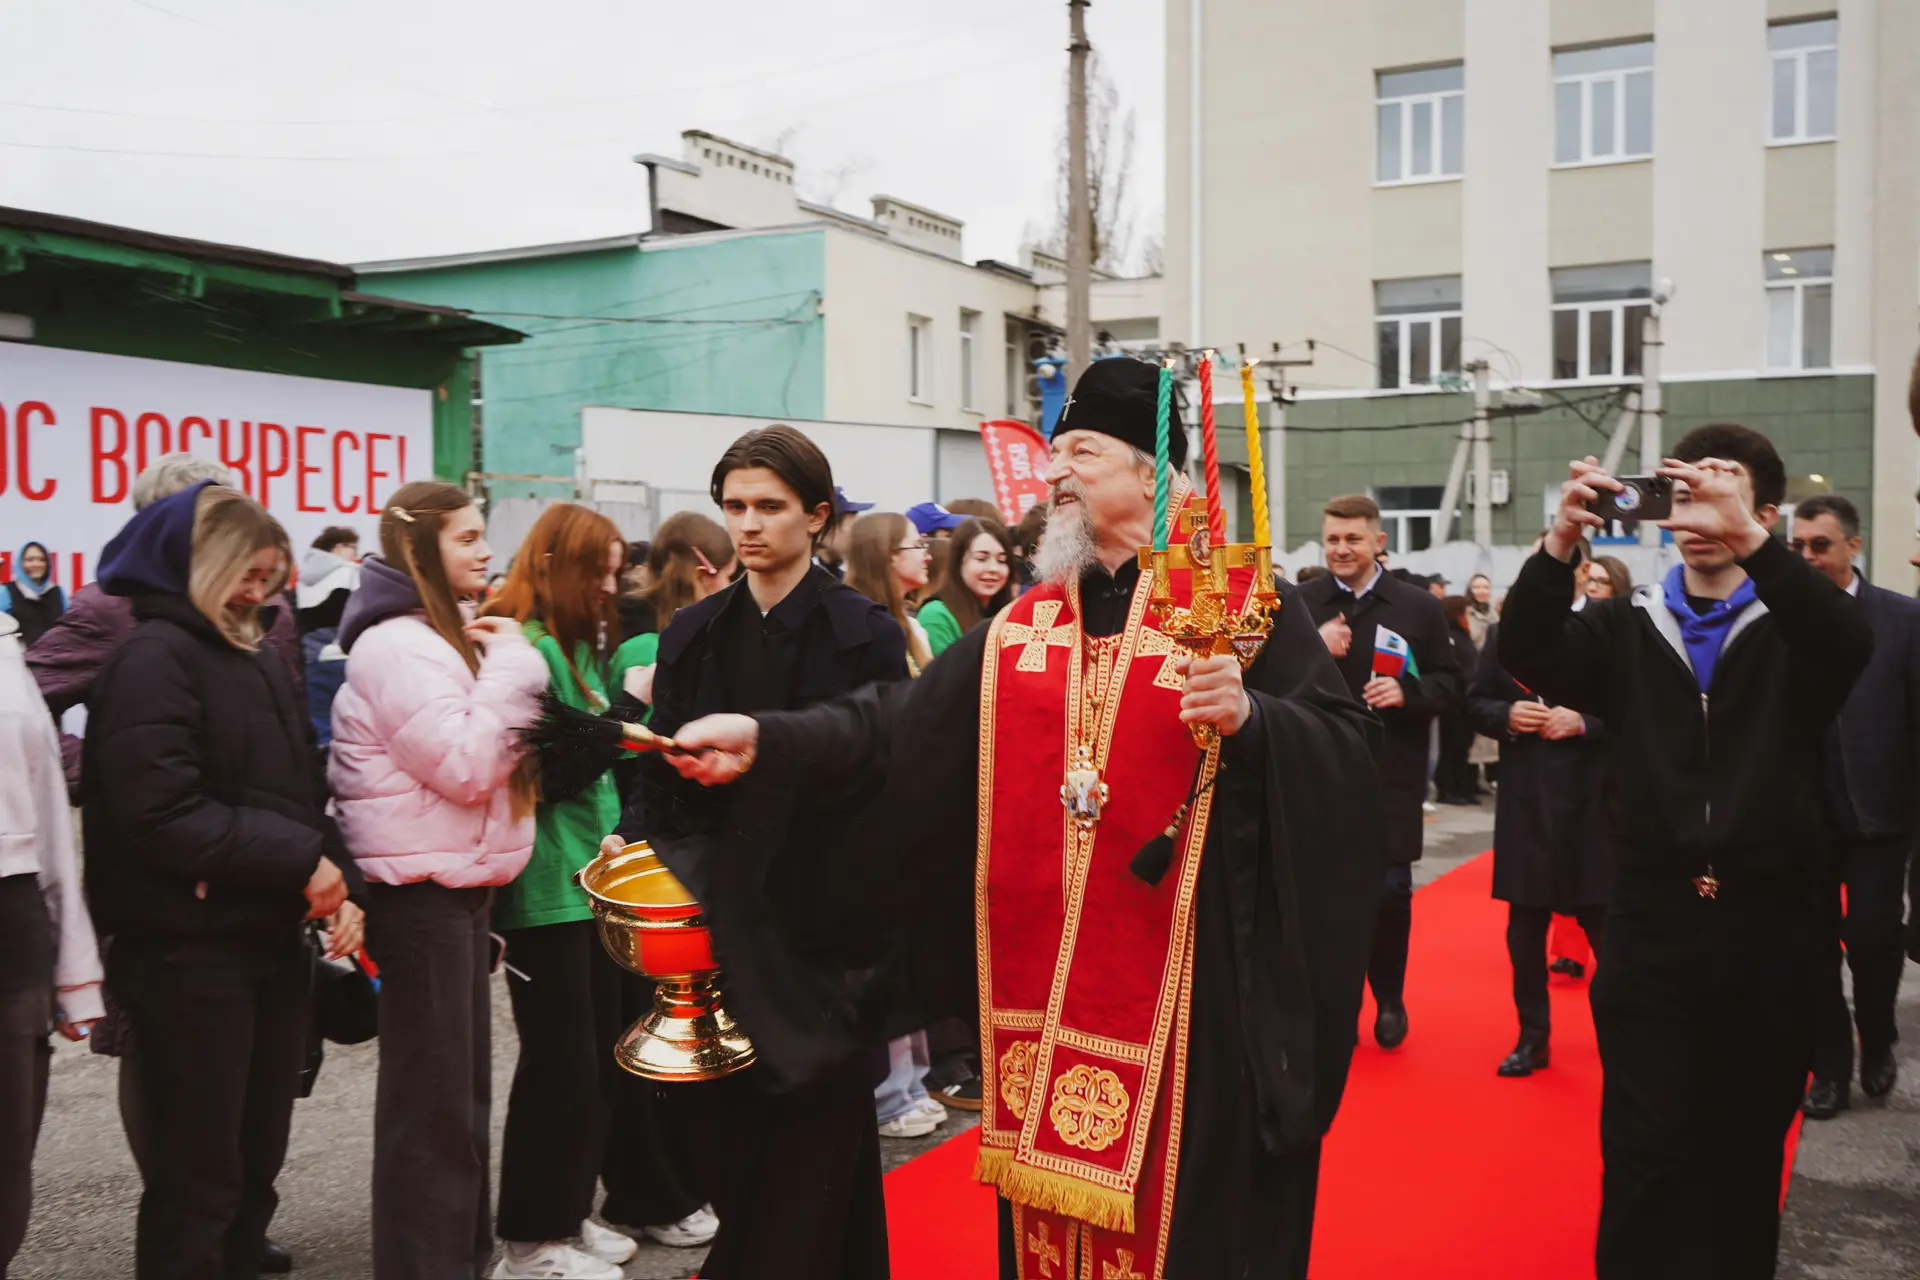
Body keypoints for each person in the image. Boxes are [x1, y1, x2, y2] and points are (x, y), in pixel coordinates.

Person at [648, 359, 1386, 1280]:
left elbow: (1347, 758)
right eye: (1052, 453)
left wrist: (1256, 718)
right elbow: (893, 724)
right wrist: (766, 738)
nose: (1055, 473)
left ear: (1152, 476)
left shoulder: (1237, 609)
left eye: (1081, 450)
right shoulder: (1024, 627)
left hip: (1194, 1004)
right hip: (1037, 997)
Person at [1500, 426, 1871, 1278]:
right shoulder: (1626, 623)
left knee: (1743, 1161)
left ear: (1765, 513)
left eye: (1724, 493)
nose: (1698, 513)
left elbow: (1849, 645)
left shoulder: (1798, 625)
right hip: (1650, 923)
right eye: (1685, 495)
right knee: (1643, 1148)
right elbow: (1526, 654)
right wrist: (1561, 542)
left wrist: (1752, 541)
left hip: (1773, 929)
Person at [601, 425, 910, 1280]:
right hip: (714, 927)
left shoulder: (864, 634)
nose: (748, 524)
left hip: (823, 937)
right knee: (732, 1142)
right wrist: (630, 834)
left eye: (769, 506)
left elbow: (881, 778)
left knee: (817, 1146)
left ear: (817, 517)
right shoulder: (692, 632)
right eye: (734, 506)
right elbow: (660, 762)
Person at [82, 481, 364, 1280]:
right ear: (197, 566)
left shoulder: (255, 653)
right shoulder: (152, 659)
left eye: (270, 577)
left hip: (263, 936)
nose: (257, 593)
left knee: (255, 1148)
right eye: (245, 575)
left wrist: (344, 883)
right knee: (197, 1167)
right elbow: (159, 814)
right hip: (185, 951)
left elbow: (297, 794)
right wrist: (299, 862)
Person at [326, 482, 550, 1280]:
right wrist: (516, 664)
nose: (486, 551)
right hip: (420, 898)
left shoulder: (439, 635)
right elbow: (466, 765)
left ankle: (460, 1260)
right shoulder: (397, 645)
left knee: (459, 1106)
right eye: (466, 537)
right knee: (433, 1112)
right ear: (421, 549)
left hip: (456, 893)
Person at [481, 505, 704, 1278]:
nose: (612, 589)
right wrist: (627, 714)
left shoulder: (565, 650)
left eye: (618, 571)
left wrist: (615, 725)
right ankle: (531, 1238)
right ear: (555, 568)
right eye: (599, 572)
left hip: (588, 882)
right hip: (546, 889)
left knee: (599, 1065)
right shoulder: (528, 648)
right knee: (559, 1069)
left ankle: (569, 1216)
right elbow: (549, 774)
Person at [28, 454, 301, 799]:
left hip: (272, 826)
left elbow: (292, 720)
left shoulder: (269, 604)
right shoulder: (111, 607)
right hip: (166, 828)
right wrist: (103, 772)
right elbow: (21, 706)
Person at [1297, 494, 1463, 1050]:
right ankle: (1329, 1005)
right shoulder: (1302, 603)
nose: (1342, 550)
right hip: (1318, 776)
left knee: (1390, 895)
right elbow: (1269, 681)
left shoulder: (1416, 607)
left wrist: (1406, 692)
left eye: (1353, 539)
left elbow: (1451, 683)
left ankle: (1388, 995)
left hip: (1391, 775)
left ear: (1378, 542)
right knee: (1322, 901)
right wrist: (1312, 650)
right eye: (1334, 539)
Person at [1788, 494, 1920, 1119]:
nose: (1808, 556)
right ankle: (1830, 1067)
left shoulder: (1901, 619)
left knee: (1873, 939)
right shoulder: (1775, 619)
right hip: (1801, 820)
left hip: (1880, 816)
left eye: (1820, 545)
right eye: (1799, 546)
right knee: (1810, 948)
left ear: (1853, 548)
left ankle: (1879, 1036)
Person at [0, 610, 104, 1277]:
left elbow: (49, 823)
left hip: (13, 928)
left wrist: (76, 970)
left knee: (7, 1155)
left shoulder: (7, 651)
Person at [1468, 601, 1612, 1078]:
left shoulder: (1605, 630)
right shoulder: (1505, 634)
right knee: (1524, 934)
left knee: (1607, 929)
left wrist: (1585, 722)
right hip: (1527, 801)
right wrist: (1506, 714)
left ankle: (1625, 1036)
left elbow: (1641, 709)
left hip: (1594, 801)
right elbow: (1473, 701)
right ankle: (1533, 1037)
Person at [296, 527, 363, 748]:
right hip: (342, 653)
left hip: (312, 656)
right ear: (338, 547)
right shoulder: (349, 573)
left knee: (320, 723)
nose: (355, 554)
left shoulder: (304, 577)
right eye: (353, 548)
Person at [845, 513, 935, 678]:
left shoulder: (911, 625)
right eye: (917, 545)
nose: (928, 557)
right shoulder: (862, 627)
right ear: (891, 554)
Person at [917, 517, 1016, 658]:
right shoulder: (936, 615)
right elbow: (946, 676)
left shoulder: (1011, 613)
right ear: (958, 562)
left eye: (1002, 560)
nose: (993, 568)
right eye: (981, 559)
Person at [1433, 596, 1482, 805]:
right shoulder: (1449, 637)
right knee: (1450, 746)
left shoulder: (1463, 636)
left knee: (1463, 746)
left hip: (1466, 701)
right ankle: (1448, 789)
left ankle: (1463, 787)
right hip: (1453, 702)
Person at [1, 544, 65, 650]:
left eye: (42, 559)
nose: (36, 564)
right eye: (30, 560)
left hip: (55, 661)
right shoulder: (5, 592)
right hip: (18, 662)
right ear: (20, 563)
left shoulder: (57, 591)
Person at [815, 486, 873, 581]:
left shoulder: (840, 576)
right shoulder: (802, 579)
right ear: (829, 529)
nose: (860, 535)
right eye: (854, 528)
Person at [1466, 574, 1495, 646]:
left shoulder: (1494, 613)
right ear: (1470, 590)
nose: (1482, 591)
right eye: (1476, 587)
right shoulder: (1464, 612)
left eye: (1486, 588)